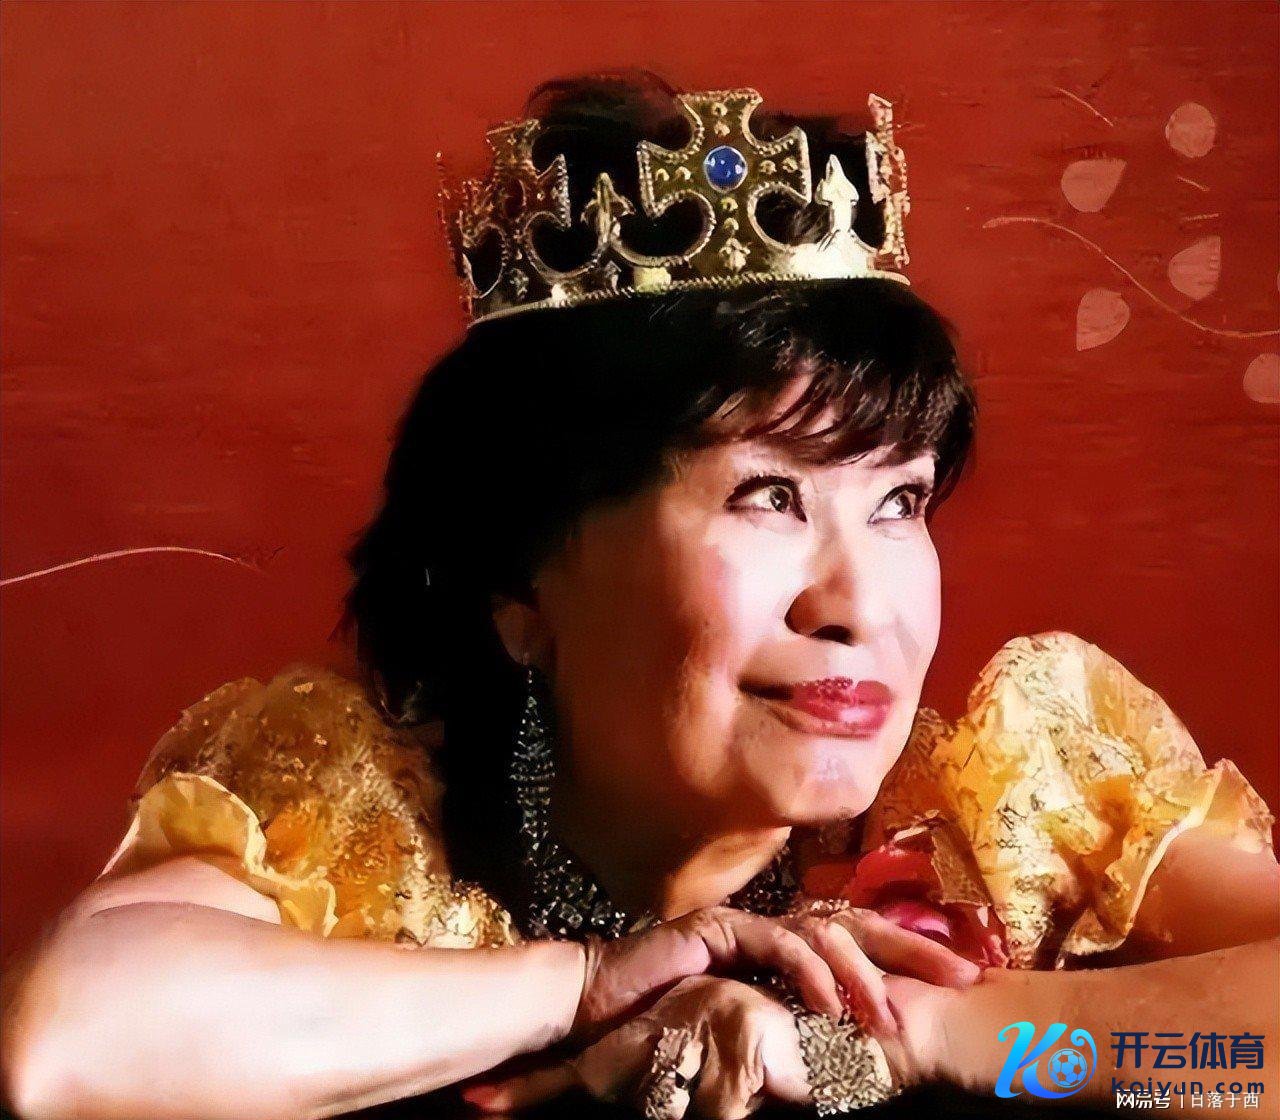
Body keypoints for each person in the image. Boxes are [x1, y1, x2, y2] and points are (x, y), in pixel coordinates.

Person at [2, 71, 1276, 1120]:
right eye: (767, 497)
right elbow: (68, 1047)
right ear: (521, 577)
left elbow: (1237, 1058)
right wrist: (583, 987)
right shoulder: (369, 815)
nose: (858, 603)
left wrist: (924, 1033)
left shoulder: (1013, 816)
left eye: (898, 501)